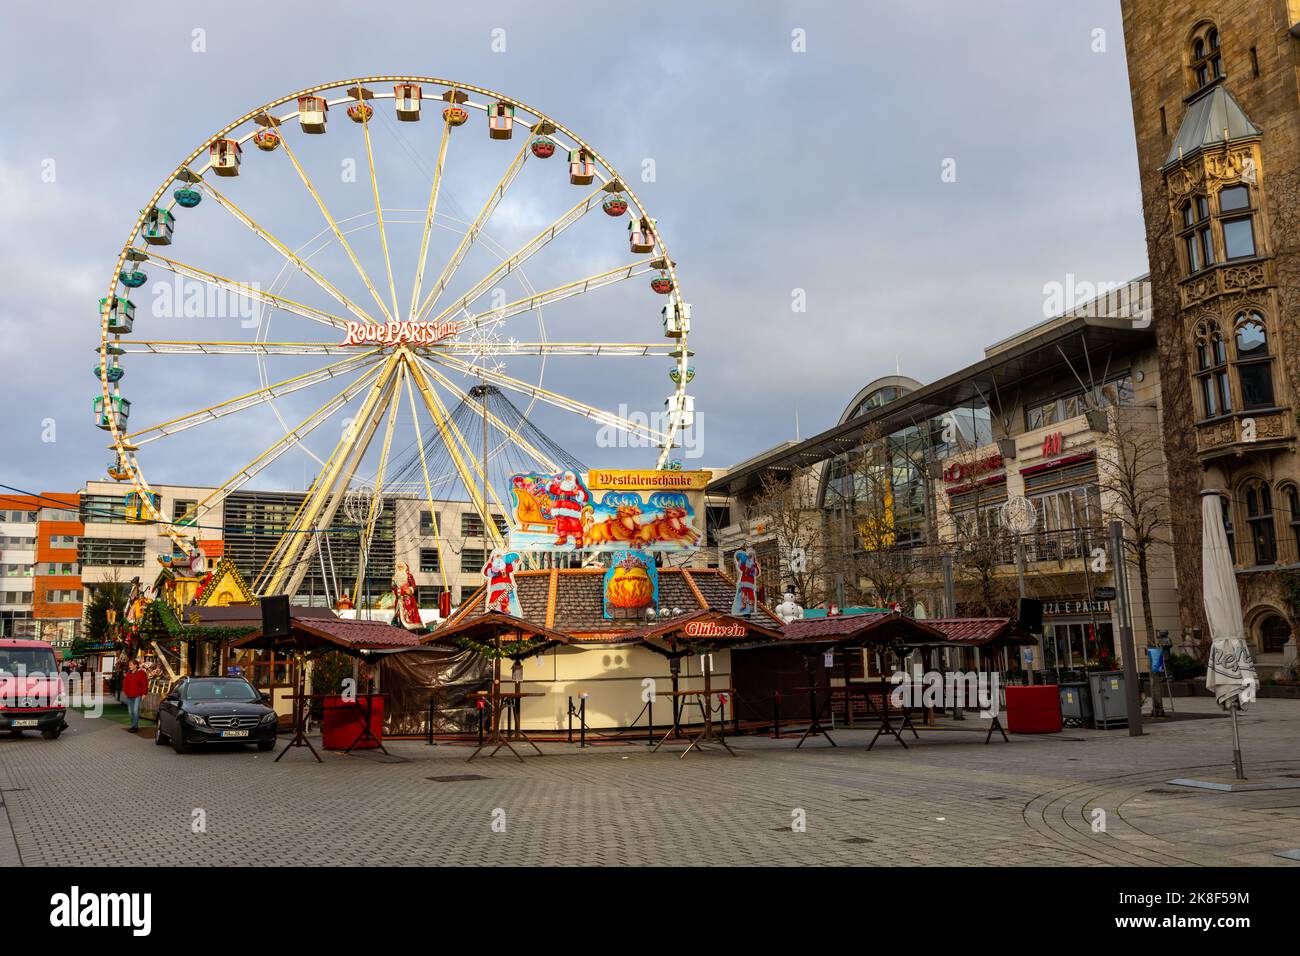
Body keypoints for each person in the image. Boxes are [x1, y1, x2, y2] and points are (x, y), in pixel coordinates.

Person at [121, 658, 149, 733]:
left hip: (138, 695)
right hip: (129, 695)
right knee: (130, 712)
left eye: (131, 665)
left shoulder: (141, 673)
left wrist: (144, 693)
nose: (129, 666)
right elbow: (125, 683)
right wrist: (125, 691)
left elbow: (144, 684)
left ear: (135, 665)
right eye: (129, 665)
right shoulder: (128, 673)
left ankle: (134, 726)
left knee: (135, 711)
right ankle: (133, 725)